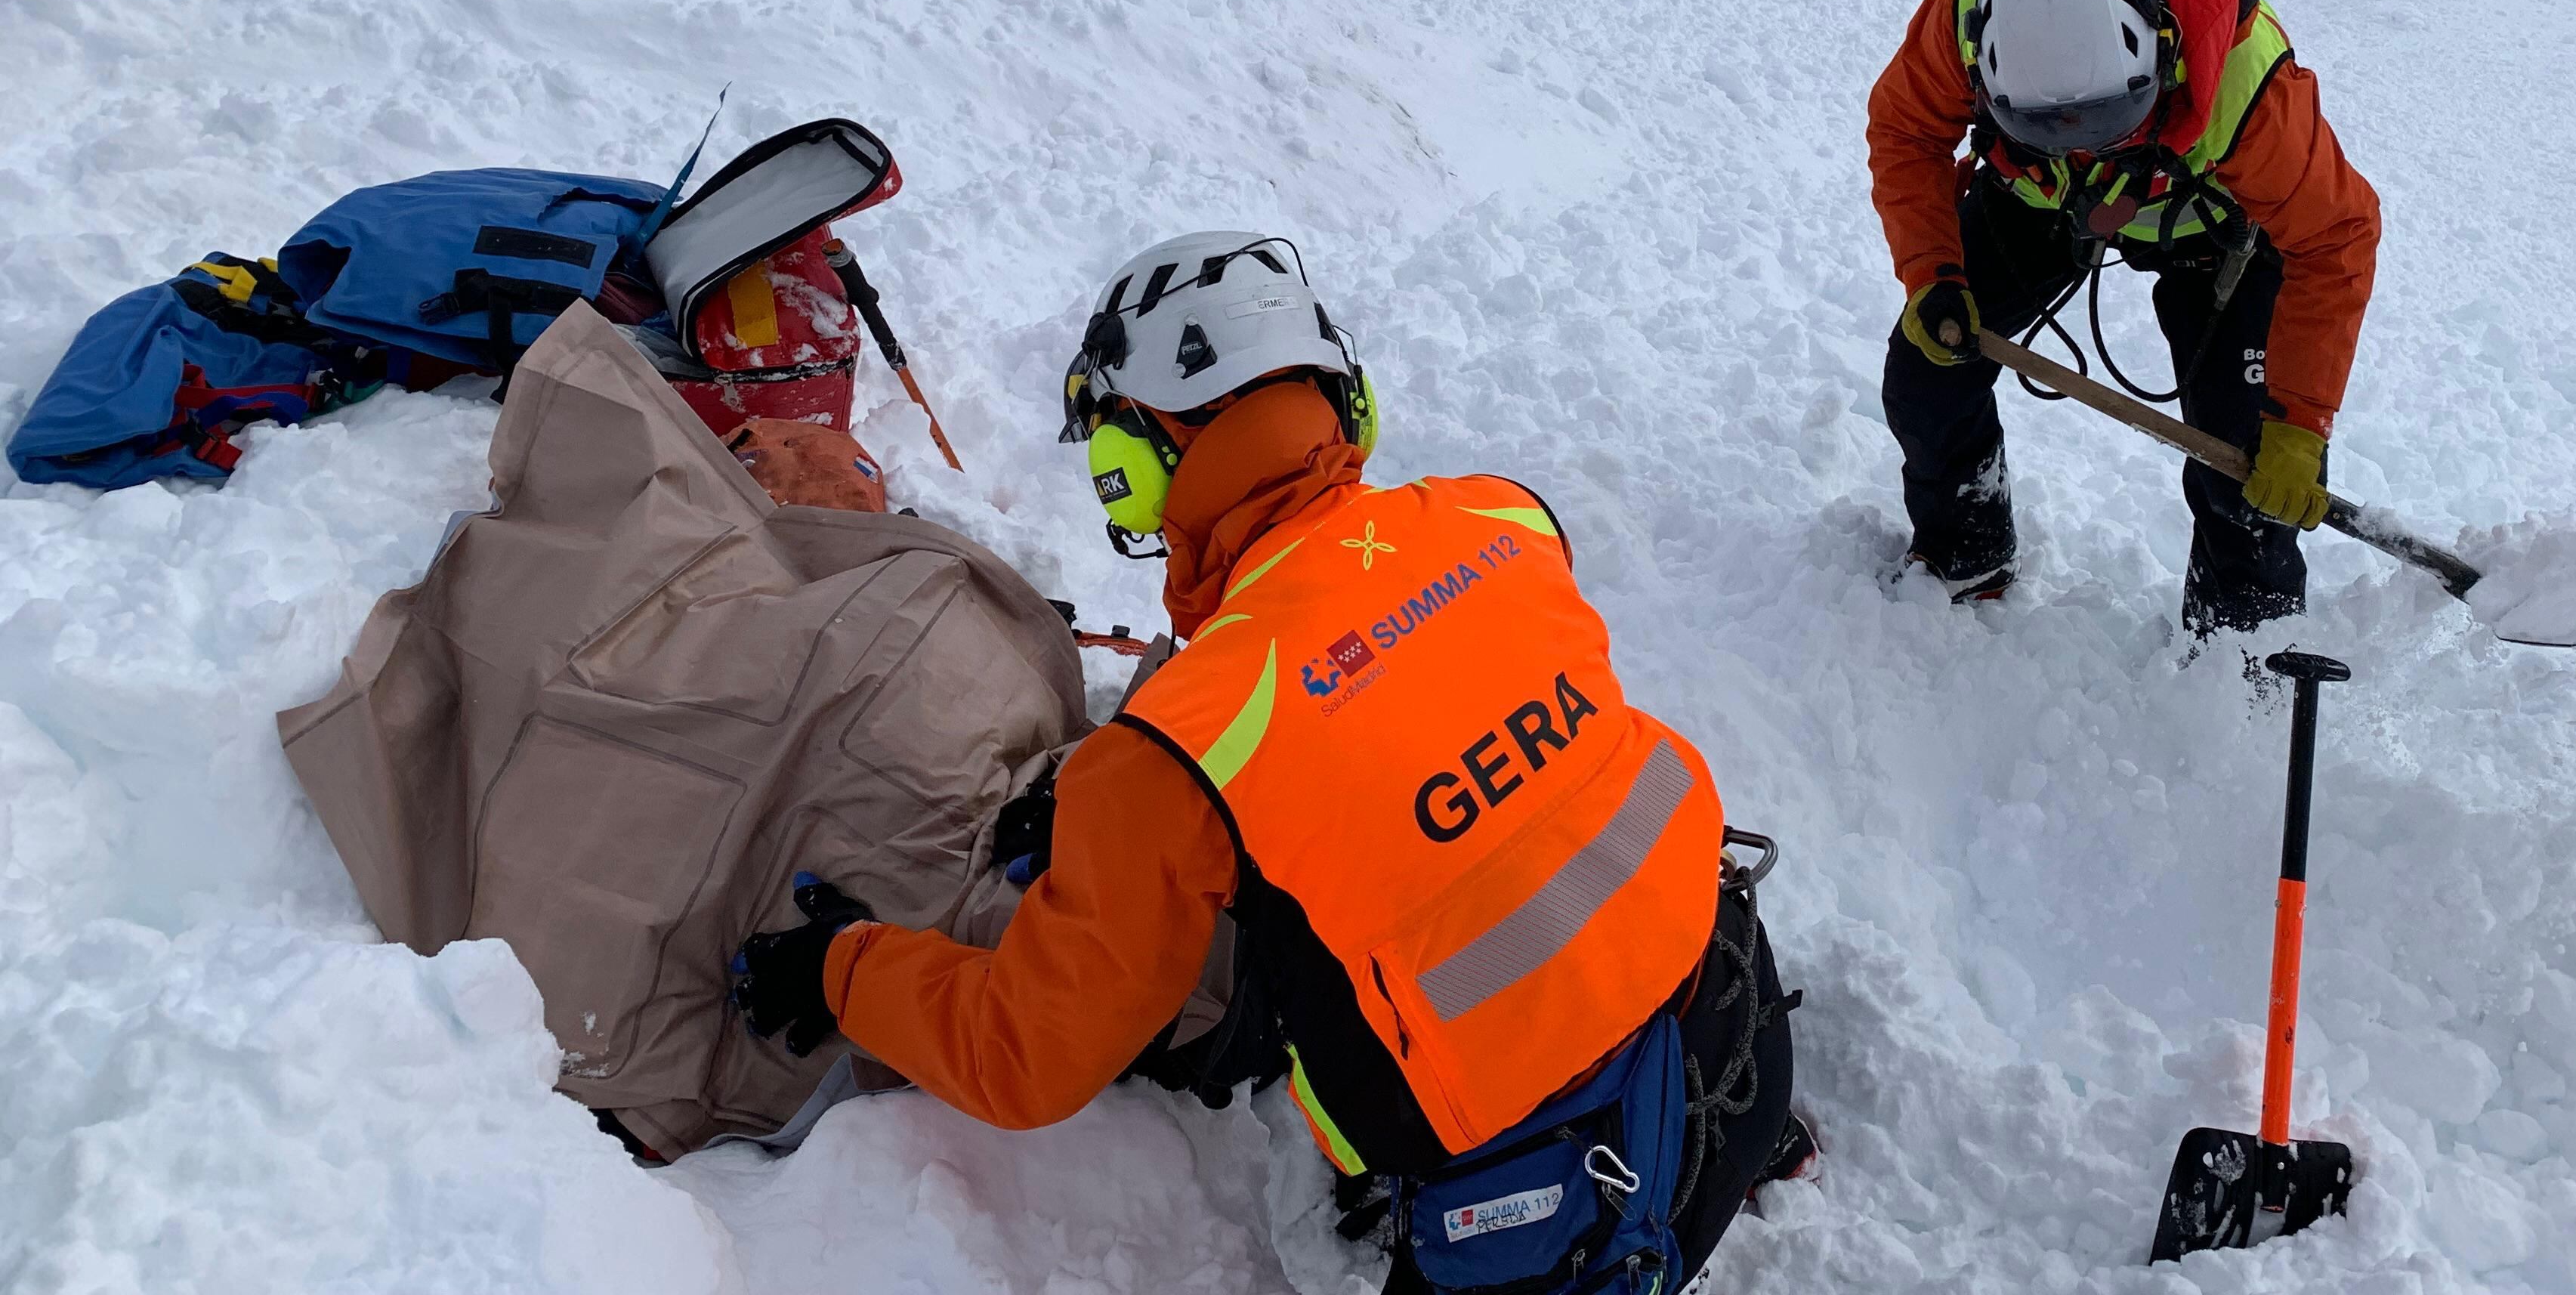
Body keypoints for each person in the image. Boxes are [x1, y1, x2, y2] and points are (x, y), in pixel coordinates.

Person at [730, 232, 1810, 1288]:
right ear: (1347, 402)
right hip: (1735, 1028)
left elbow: (1028, 1058)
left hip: (1549, 1210)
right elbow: (1380, 708)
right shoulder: (1504, 517)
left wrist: (842, 969)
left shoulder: (1179, 752)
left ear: (1136, 465)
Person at [1867, 0, 2380, 632]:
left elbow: (2333, 238)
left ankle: (2244, 658)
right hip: (2038, 202)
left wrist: (2299, 422)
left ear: (2161, 47)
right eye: (2054, 126)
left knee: (2253, 467)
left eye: (2112, 120)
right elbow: (1907, 133)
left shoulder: (2247, 82)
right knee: (1928, 369)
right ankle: (1966, 554)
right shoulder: (1962, 20)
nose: (2088, 147)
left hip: (2213, 225)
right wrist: (1932, 272)